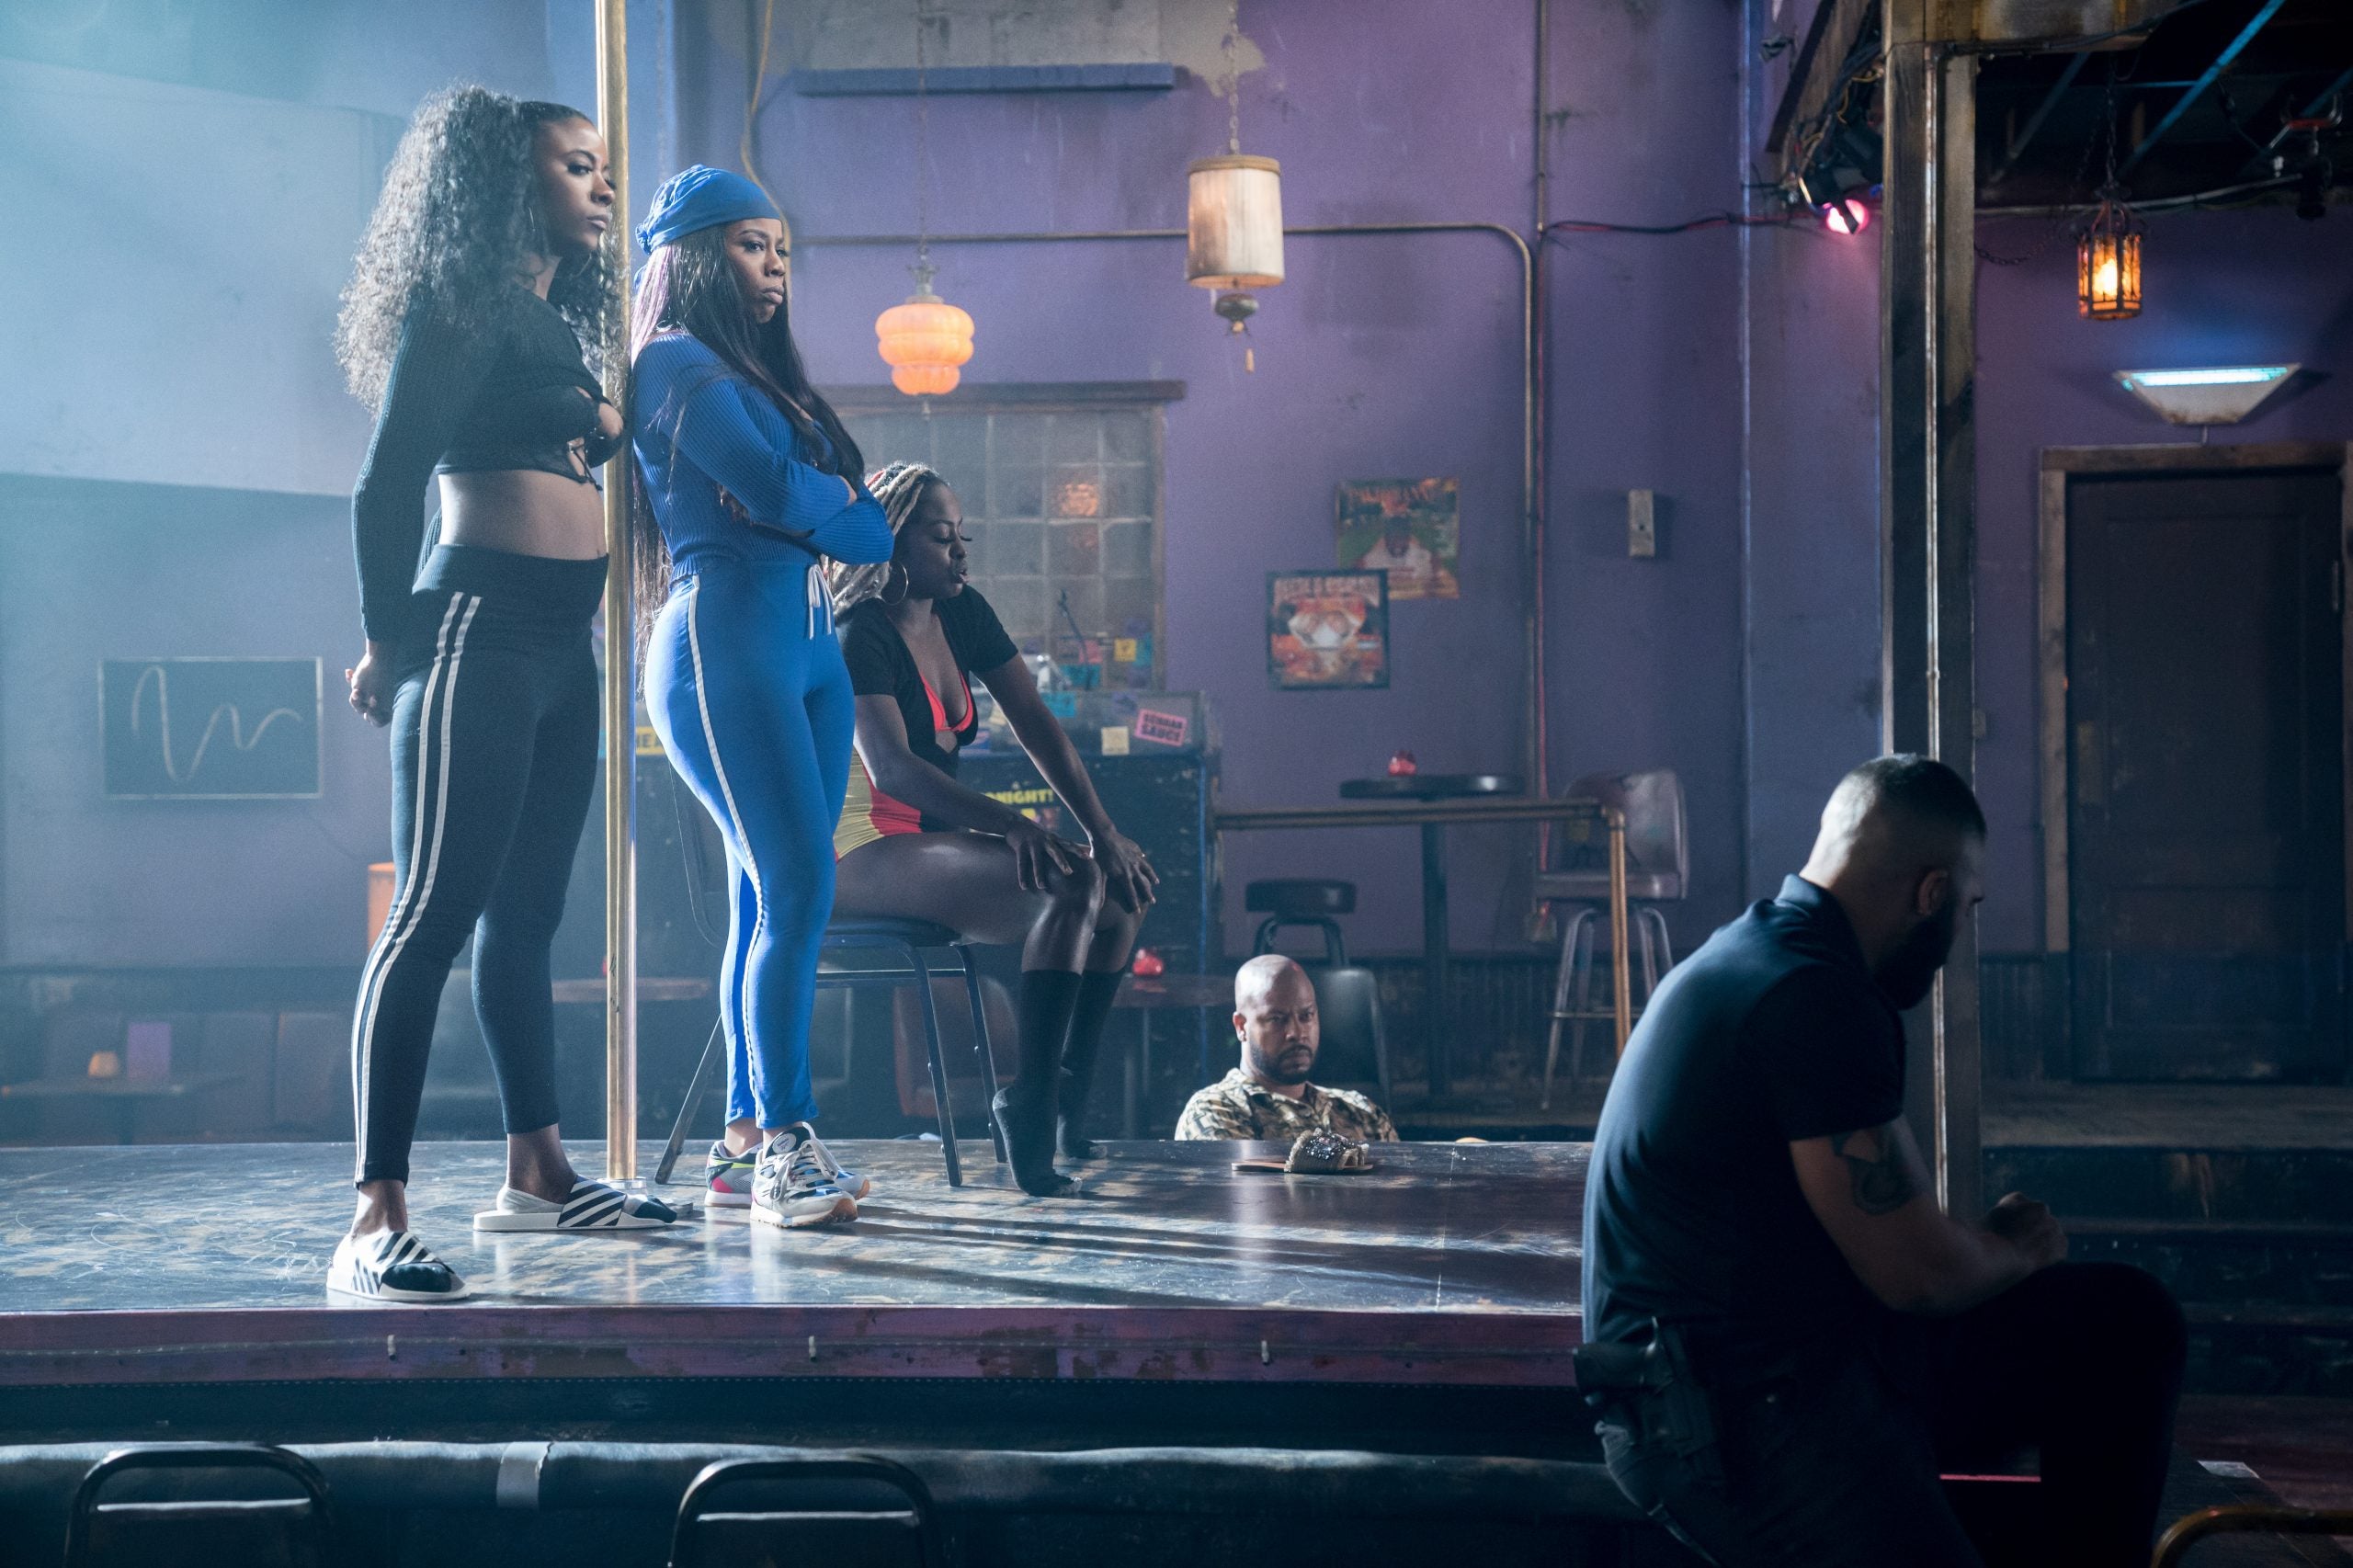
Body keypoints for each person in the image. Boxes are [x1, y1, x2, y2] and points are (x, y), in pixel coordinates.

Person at [1579, 756, 2185, 1568]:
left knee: (2120, 1323)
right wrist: (2016, 1247)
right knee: (2105, 1324)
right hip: (1732, 1421)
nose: (1960, 936)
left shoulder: (1758, 952)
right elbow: (1917, 1276)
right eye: (1968, 907)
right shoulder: (1813, 999)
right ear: (1931, 893)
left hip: (1753, 1377)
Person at [333, 87, 680, 1303]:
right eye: (575, 165)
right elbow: (385, 485)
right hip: (477, 632)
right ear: (502, 183)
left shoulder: (552, 323)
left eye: (602, 165)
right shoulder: (463, 303)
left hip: (561, 648)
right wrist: (389, 641)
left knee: (529, 919)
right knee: (428, 916)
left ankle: (539, 1172)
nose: (601, 184)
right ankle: (373, 1214)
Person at [629, 166, 895, 1231]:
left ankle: (743, 1146)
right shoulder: (668, 361)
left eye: (782, 247)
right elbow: (791, 493)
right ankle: (783, 1140)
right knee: (796, 884)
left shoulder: (761, 379)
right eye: (750, 244)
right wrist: (818, 499)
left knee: (768, 892)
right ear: (696, 256)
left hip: (809, 647)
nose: (775, 265)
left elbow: (869, 529)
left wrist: (812, 502)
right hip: (724, 642)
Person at [828, 463, 1157, 1197]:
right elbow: (893, 771)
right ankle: (1029, 1103)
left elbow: (1036, 721)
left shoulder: (963, 612)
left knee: (1121, 893)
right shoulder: (859, 634)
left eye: (962, 538)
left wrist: (1104, 831)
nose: (959, 553)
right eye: (941, 537)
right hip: (859, 851)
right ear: (891, 542)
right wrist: (1012, 825)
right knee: (1070, 886)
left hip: (923, 845)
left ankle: (1066, 1094)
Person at [1174, 955, 1397, 1142]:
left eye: (1306, 1016)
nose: (1297, 1033)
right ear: (1241, 1026)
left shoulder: (1361, 1112)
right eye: (1277, 1019)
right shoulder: (1215, 1110)